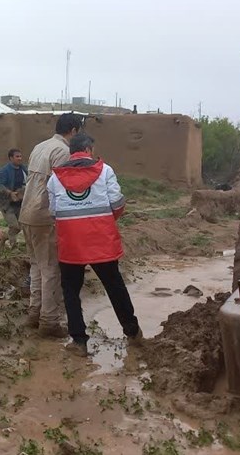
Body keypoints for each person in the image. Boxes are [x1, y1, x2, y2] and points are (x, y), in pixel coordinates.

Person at [48, 134, 141, 356]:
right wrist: (105, 221)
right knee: (114, 286)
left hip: (71, 242)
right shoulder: (105, 171)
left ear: (72, 152)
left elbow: (54, 211)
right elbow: (117, 203)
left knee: (71, 291)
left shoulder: (55, 178)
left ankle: (79, 342)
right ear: (88, 150)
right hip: (101, 240)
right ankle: (134, 333)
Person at [18, 113, 83, 336]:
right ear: (73, 131)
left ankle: (34, 313)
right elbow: (62, 189)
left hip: (27, 213)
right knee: (51, 271)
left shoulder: (40, 146)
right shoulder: (63, 152)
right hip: (44, 216)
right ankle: (49, 322)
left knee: (37, 266)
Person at [0, 148, 27, 246]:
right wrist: (10, 193)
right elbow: (0, 186)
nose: (19, 158)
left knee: (22, 225)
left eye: (20, 156)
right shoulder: (4, 171)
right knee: (14, 226)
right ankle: (11, 244)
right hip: (7, 204)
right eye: (17, 156)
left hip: (19, 203)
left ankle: (7, 239)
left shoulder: (24, 169)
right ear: (11, 158)